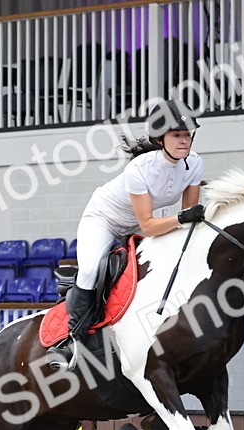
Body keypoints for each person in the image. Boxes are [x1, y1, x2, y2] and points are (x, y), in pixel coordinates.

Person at [49, 100, 206, 369]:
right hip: (105, 219)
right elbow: (151, 225)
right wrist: (181, 218)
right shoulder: (139, 169)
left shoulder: (194, 164)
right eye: (176, 135)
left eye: (187, 135)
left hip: (139, 222)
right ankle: (71, 341)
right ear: (160, 139)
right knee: (90, 271)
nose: (184, 141)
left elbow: (187, 217)